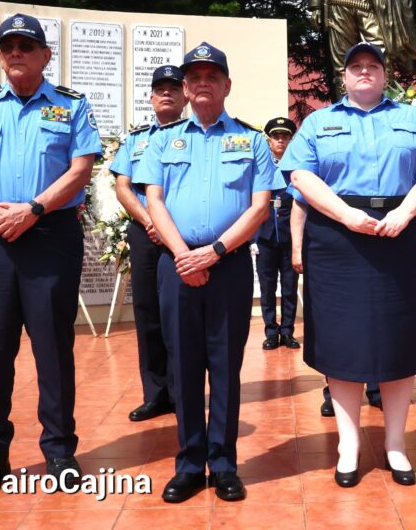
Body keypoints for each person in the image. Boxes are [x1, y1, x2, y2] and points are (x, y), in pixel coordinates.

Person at [280, 41, 416, 488]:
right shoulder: (319, 122)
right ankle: (348, 444)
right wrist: (345, 215)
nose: (364, 72)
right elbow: (300, 175)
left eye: (372, 66)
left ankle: (396, 443)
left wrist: (406, 212)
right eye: (355, 66)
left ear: (384, 75)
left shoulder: (414, 119)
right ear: (344, 76)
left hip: (402, 232)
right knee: (342, 341)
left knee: (400, 338)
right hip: (338, 237)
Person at [0, 13, 101, 496]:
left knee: (52, 347)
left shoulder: (71, 106)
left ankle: (59, 451)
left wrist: (33, 209)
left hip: (50, 235)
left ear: (45, 56)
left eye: (26, 46)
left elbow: (80, 169)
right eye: (8, 46)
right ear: (0, 54)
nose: (16, 53)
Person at [133, 42, 282, 503]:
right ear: (184, 87)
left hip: (229, 265)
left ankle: (223, 465)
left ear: (226, 85)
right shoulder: (162, 140)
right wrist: (184, 255)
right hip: (176, 265)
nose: (202, 84)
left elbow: (259, 207)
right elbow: (153, 200)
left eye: (211, 77)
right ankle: (189, 465)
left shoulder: (252, 141)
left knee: (225, 367)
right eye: (194, 77)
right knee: (182, 366)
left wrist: (214, 252)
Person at [110, 64, 187, 422]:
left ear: (186, 96)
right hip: (145, 232)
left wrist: (166, 225)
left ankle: (183, 392)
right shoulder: (135, 140)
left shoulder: (195, 135)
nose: (167, 93)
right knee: (148, 312)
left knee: (181, 314)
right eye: (160, 89)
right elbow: (122, 186)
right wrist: (149, 221)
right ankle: (156, 394)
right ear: (151, 97)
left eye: (174, 88)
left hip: (182, 234)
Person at [258, 117, 301, 351]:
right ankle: (271, 332)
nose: (280, 141)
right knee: (267, 287)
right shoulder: (261, 164)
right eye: (276, 137)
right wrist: (252, 237)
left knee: (289, 286)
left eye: (285, 137)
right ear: (270, 140)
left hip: (289, 235)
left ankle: (287, 331)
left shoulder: (297, 166)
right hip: (265, 236)